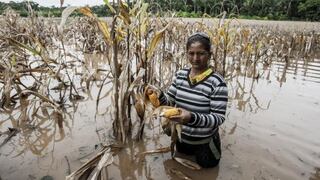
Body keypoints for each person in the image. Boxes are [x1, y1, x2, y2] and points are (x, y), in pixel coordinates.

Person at [147, 32, 228, 168]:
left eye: (201, 53)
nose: (195, 58)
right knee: (180, 160)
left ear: (209, 54)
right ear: (187, 53)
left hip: (205, 141)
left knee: (209, 166)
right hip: (181, 138)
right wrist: (158, 95)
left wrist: (191, 118)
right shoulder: (180, 75)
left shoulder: (217, 83)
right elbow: (169, 103)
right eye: (191, 53)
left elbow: (218, 118)